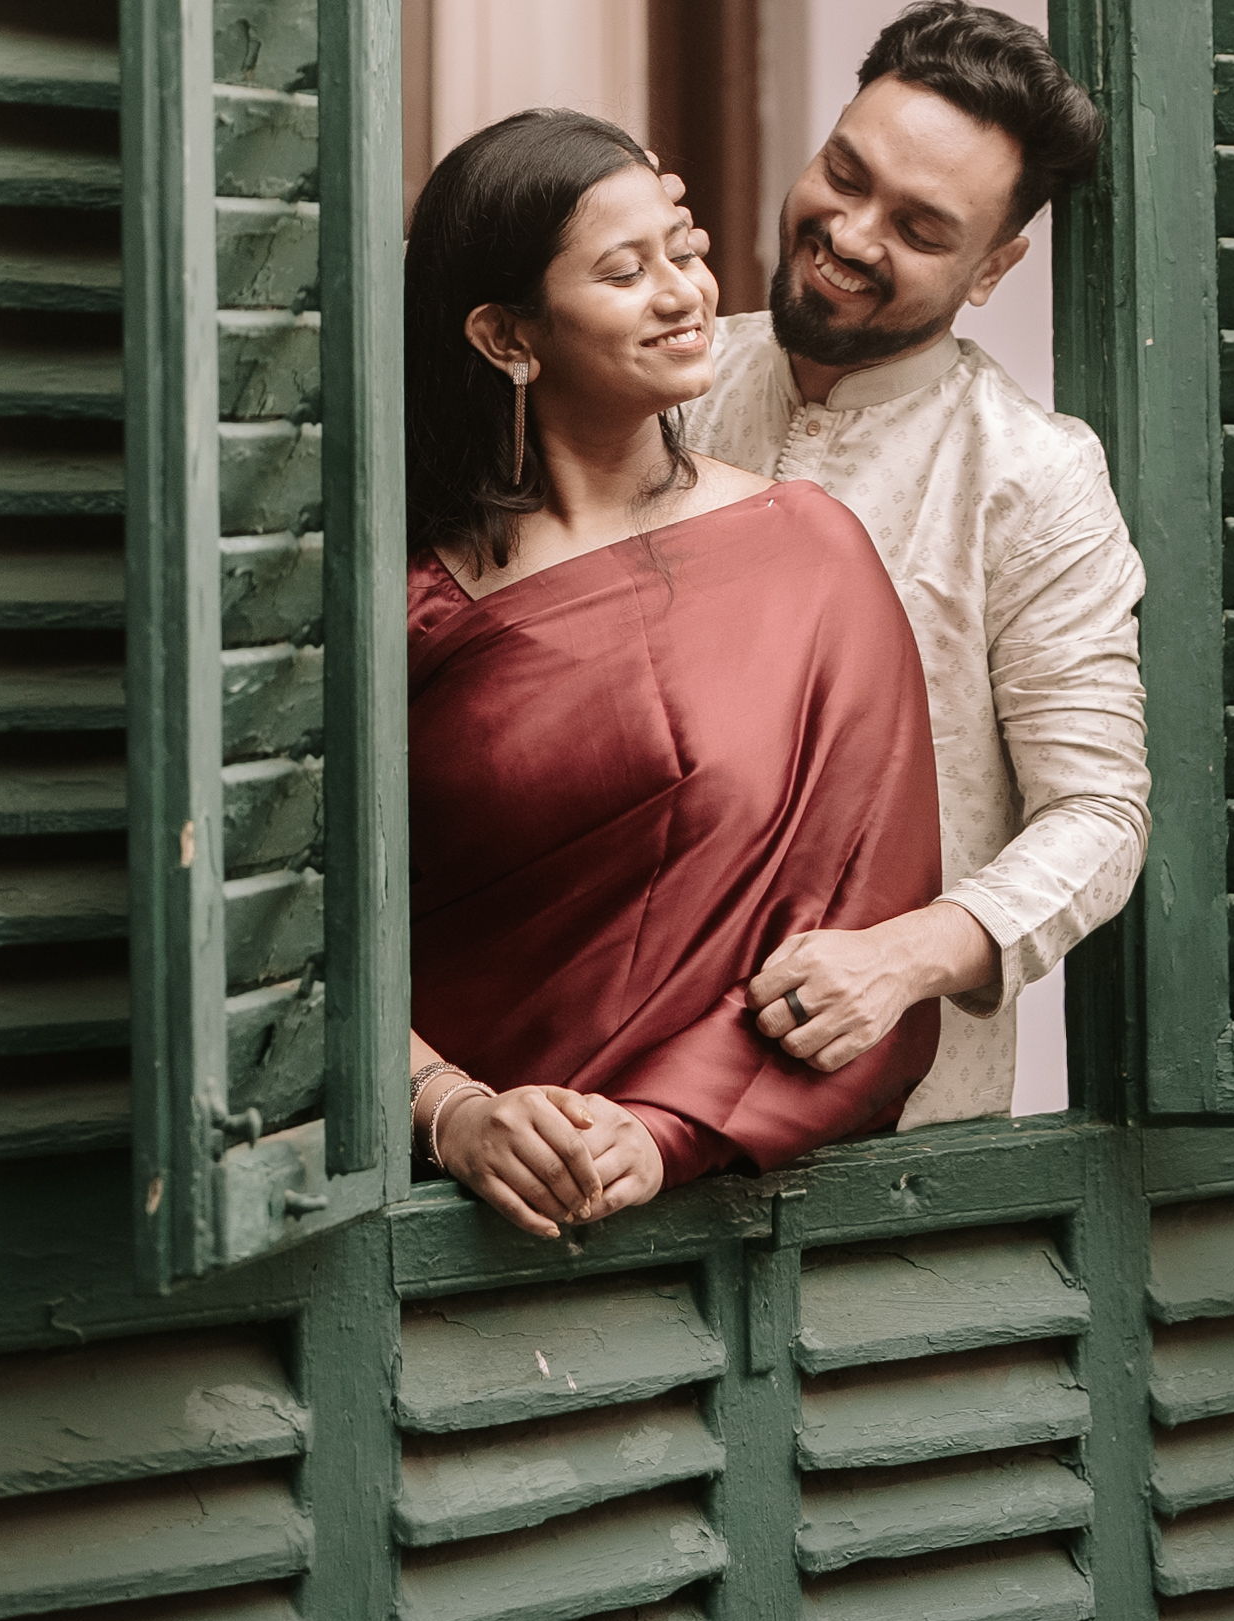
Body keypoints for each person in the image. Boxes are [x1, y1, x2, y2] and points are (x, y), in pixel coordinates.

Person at [401, 106, 943, 1241]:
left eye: (684, 248)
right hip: (416, 1206)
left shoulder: (808, 555)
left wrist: (656, 1130)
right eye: (624, 269)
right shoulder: (396, 593)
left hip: (700, 1220)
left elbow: (858, 929)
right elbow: (293, 928)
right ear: (507, 335)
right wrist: (450, 1108)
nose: (684, 291)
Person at [679, 0, 1149, 1128]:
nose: (848, 233)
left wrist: (903, 959)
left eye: (920, 228)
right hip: (608, 1082)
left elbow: (1098, 814)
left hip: (891, 1125)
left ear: (993, 268)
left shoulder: (1031, 476)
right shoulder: (667, 381)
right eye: (843, 173)